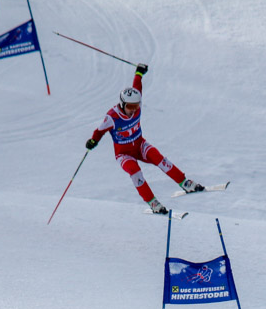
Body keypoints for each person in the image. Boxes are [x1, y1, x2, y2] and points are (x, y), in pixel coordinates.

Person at [85, 63, 203, 214]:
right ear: (122, 104)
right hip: (124, 154)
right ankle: (152, 202)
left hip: (140, 145)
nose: (133, 110)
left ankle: (185, 183)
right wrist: (93, 141)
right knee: (135, 172)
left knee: (159, 159)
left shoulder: (136, 105)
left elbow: (137, 87)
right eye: (130, 107)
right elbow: (99, 131)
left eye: (136, 106)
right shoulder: (112, 117)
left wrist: (139, 73)